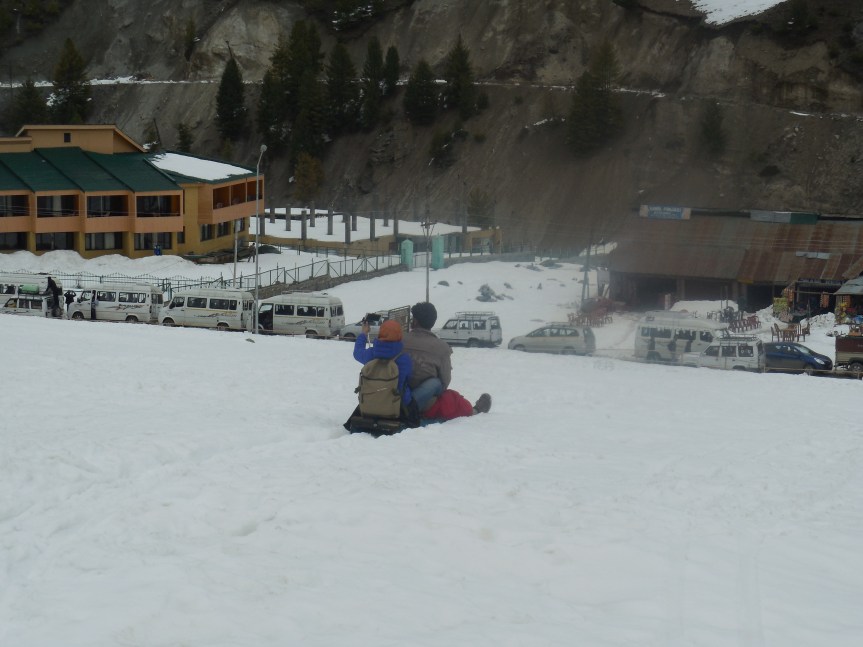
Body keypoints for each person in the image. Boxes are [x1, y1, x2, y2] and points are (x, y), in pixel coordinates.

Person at [402, 301, 491, 419]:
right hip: (424, 405)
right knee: (450, 399)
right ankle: (475, 410)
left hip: (394, 397)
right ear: (432, 322)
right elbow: (444, 382)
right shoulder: (441, 347)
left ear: (415, 321)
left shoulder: (399, 340)